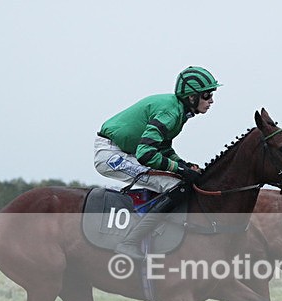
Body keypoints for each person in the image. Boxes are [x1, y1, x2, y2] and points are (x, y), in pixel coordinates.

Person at [94, 66, 221, 259]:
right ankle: (129, 242)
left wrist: (183, 164)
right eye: (207, 95)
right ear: (191, 97)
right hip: (111, 154)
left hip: (126, 151)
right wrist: (180, 170)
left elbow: (163, 148)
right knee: (174, 185)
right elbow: (146, 154)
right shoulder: (170, 112)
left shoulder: (178, 111)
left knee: (178, 179)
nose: (211, 100)